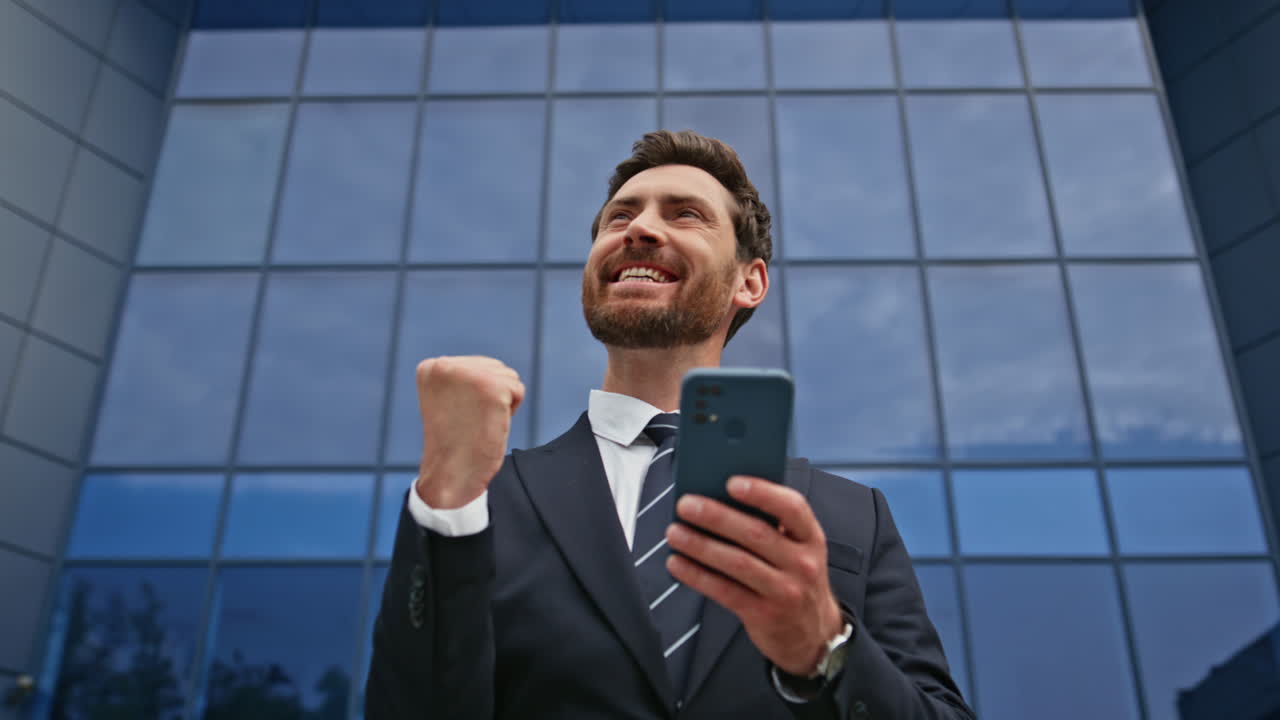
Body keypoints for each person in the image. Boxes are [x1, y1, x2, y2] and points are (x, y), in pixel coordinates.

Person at [365, 130, 974, 719]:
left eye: (685, 215)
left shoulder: (852, 518)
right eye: (618, 217)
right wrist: (446, 503)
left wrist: (825, 648)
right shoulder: (478, 500)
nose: (640, 229)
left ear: (750, 281)